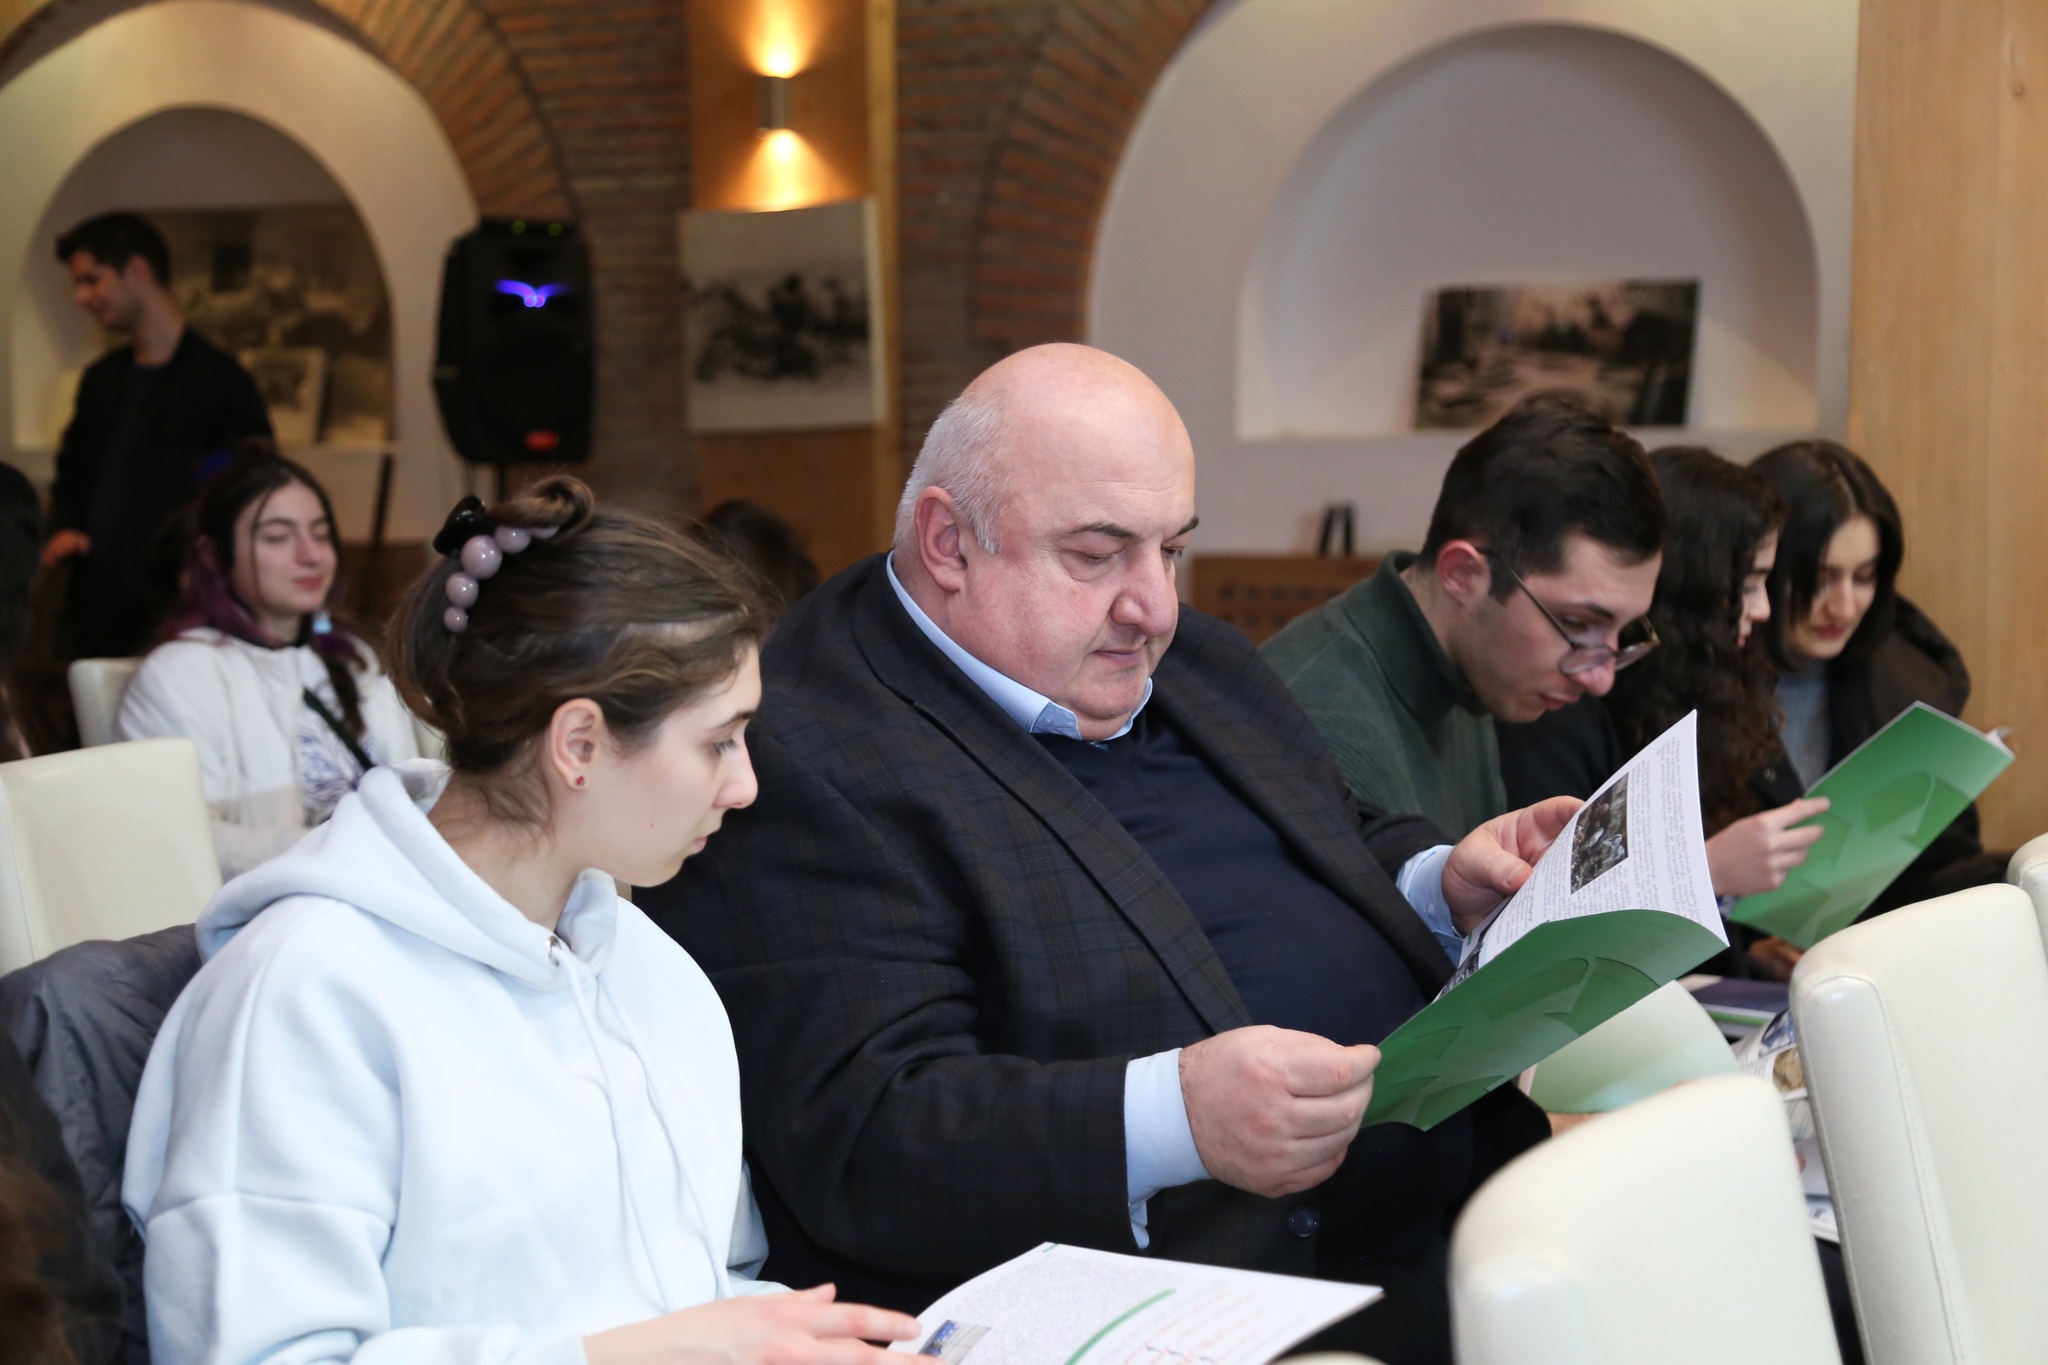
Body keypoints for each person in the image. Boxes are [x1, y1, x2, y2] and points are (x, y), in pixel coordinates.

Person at [646, 344, 1570, 1365]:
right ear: (948, 543)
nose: (1154, 605)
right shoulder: (804, 754)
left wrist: (1435, 882)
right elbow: (862, 1136)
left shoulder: (1183, 657)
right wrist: (1173, 1120)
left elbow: (1334, 824)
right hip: (1217, 1309)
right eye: (1097, 553)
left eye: (1171, 549)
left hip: (1458, 1233)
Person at [121, 478, 919, 1365]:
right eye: (717, 742)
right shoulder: (306, 994)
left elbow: (706, 1287)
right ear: (579, 743)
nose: (744, 786)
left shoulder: (648, 966)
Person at [1262, 399, 1665, 838]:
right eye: (1575, 623)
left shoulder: (1470, 662)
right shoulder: (1313, 730)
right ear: (1462, 574)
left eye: (1625, 630)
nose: (1602, 680)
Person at [115, 452, 421, 879]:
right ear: (213, 555)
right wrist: (349, 853)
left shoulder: (355, 660)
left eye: (321, 534)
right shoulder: (181, 675)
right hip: (276, 907)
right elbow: (185, 839)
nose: (311, 555)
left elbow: (413, 795)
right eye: (277, 537)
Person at [1751, 439, 2006, 912]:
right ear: (1759, 569)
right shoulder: (1692, 691)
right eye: (1821, 580)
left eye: (1864, 577)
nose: (1844, 607)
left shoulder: (1911, 685)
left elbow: (1942, 864)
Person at [42, 212, 271, 659]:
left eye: (92, 280)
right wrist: (65, 527)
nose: (82, 297)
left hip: (180, 611)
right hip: (95, 609)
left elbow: (247, 487)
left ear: (137, 269)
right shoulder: (102, 380)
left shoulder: (220, 381)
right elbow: (73, 473)